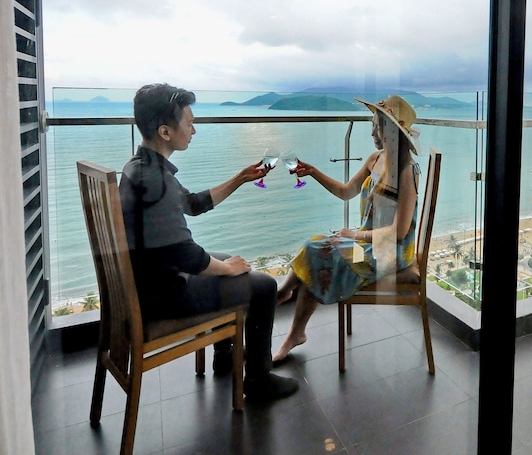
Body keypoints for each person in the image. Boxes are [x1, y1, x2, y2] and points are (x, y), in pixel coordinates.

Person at [119, 83, 298, 401]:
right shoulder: (157, 182)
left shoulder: (142, 168)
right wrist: (227, 270)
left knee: (228, 259)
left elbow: (192, 204)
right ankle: (258, 379)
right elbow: (186, 255)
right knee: (264, 286)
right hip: (164, 294)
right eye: (189, 123)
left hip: (148, 278)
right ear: (165, 131)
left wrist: (240, 179)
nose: (194, 130)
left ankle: (224, 356)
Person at [272, 95, 421, 364]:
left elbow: (399, 232)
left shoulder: (407, 171)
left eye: (376, 125)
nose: (372, 132)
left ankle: (286, 303)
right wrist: (314, 172)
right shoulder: (375, 159)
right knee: (317, 247)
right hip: (368, 245)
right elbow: (345, 192)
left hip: (389, 253)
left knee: (320, 251)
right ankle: (293, 321)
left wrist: (355, 235)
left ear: (390, 130)